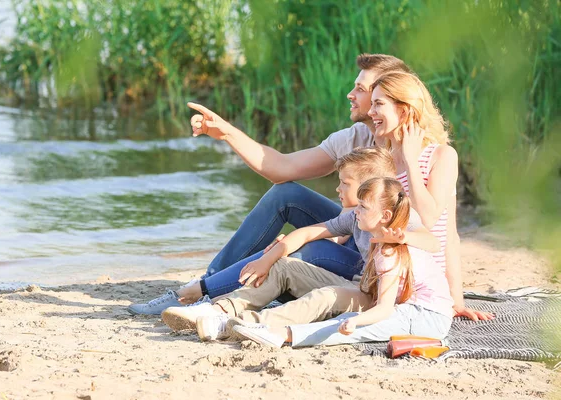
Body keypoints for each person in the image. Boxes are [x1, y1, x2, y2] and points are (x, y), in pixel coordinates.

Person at [128, 53, 491, 321]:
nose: (352, 95)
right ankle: (206, 287)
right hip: (360, 238)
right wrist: (225, 132)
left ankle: (217, 295)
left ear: (396, 99)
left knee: (309, 254)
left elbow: (445, 232)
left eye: (363, 90)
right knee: (286, 194)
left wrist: (453, 298)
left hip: (388, 261)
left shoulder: (435, 156)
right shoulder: (356, 139)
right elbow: (281, 167)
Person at [159, 148, 439, 333]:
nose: (338, 188)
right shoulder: (355, 218)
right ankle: (219, 309)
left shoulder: (399, 215)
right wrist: (268, 258)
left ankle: (238, 322)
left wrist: (402, 236)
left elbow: (433, 242)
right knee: (282, 265)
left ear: (370, 188)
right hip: (362, 287)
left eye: (345, 184)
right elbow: (307, 232)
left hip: (380, 299)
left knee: (321, 293)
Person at [232, 177, 454, 348]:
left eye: (363, 207)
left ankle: (282, 335)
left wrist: (356, 322)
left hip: (426, 316)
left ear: (385, 215)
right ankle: (255, 323)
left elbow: (384, 309)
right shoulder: (379, 242)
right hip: (407, 308)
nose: (355, 211)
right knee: (350, 318)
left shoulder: (390, 251)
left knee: (354, 326)